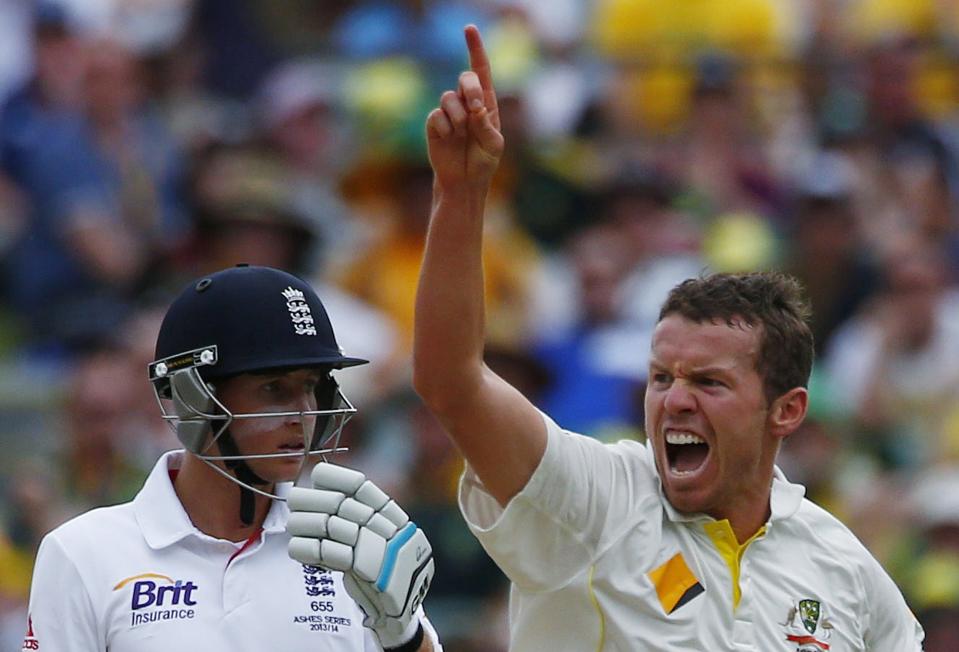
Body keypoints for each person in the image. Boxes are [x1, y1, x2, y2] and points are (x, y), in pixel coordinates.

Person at [413, 25, 924, 650]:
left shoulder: (843, 565)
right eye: (662, 377)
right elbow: (452, 382)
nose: (674, 400)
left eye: (709, 382)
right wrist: (461, 194)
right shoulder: (599, 496)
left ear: (786, 410)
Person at [24, 264, 440, 651]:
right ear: (193, 397)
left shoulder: (348, 544)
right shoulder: (85, 552)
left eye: (311, 385)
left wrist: (404, 636)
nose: (303, 414)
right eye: (274, 388)